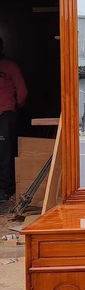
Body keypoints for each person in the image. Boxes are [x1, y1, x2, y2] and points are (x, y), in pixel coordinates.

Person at [0, 37, 27, 202]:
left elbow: (22, 91)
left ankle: (6, 189)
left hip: (5, 115)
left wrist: (16, 107)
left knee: (4, 153)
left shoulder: (9, 66)